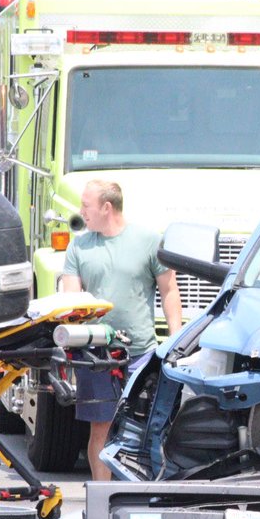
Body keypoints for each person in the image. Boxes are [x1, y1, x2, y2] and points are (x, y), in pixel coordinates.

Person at [61, 179, 181, 480]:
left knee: (144, 427)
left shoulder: (149, 241)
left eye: (86, 205)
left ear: (106, 207)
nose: (80, 212)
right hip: (95, 356)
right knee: (100, 426)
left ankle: (141, 495)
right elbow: (71, 299)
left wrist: (177, 341)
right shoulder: (79, 246)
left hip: (141, 353)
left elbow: (169, 290)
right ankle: (103, 498)